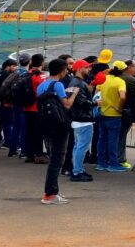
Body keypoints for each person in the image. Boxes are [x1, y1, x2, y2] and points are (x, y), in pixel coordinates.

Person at [39, 59, 79, 205]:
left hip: (47, 125)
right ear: (62, 70)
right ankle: (50, 193)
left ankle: (52, 191)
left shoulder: (42, 85)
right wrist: (74, 94)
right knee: (57, 159)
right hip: (59, 125)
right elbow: (67, 105)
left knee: (53, 158)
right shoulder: (58, 85)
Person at [96, 61, 128, 172]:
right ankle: (113, 163)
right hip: (114, 114)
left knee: (101, 139)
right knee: (113, 140)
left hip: (102, 112)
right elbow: (123, 97)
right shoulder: (120, 82)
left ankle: (101, 163)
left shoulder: (104, 78)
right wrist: (119, 107)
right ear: (122, 71)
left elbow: (97, 93)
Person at [67, 60, 96, 182]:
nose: (89, 70)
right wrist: (95, 103)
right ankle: (77, 171)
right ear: (79, 69)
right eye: (86, 67)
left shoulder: (74, 82)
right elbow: (81, 101)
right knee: (82, 146)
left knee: (78, 146)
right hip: (83, 119)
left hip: (78, 118)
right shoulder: (78, 83)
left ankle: (77, 169)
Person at [24, 54, 48, 164]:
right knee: (38, 132)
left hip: (27, 106)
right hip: (37, 107)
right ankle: (39, 154)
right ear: (42, 63)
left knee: (29, 131)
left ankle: (29, 154)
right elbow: (44, 91)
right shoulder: (41, 76)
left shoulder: (26, 74)